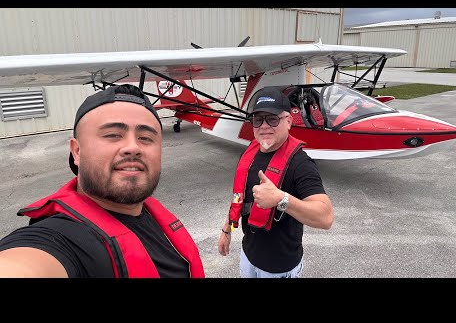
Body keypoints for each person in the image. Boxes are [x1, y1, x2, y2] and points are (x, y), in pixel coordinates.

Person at [0, 84, 205, 278]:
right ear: (77, 151)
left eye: (146, 138)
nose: (133, 147)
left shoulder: (151, 215)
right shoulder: (57, 238)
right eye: (113, 135)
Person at [218, 87, 333, 278]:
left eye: (272, 119)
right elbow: (239, 200)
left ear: (288, 121)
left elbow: (326, 217)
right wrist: (227, 230)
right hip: (249, 256)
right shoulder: (249, 154)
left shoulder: (301, 164)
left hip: (280, 267)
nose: (264, 126)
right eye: (257, 119)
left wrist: (281, 198)